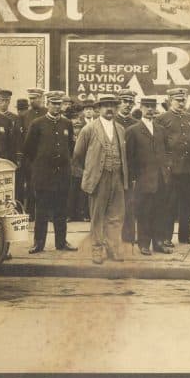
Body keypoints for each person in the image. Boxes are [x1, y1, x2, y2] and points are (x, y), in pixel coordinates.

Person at [73, 94, 129, 264]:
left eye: (112, 105)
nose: (109, 109)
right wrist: (89, 173)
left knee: (116, 215)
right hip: (99, 178)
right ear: (99, 109)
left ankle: (113, 248)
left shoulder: (120, 128)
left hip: (117, 176)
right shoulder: (89, 129)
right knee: (97, 216)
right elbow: (77, 155)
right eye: (105, 106)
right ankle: (97, 249)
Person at [22, 91, 77, 253]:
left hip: (62, 175)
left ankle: (61, 242)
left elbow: (70, 148)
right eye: (53, 103)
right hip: (44, 176)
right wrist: (41, 165)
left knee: (61, 210)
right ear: (47, 104)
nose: (56, 107)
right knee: (42, 211)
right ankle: (39, 243)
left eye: (59, 104)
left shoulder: (67, 124)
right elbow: (28, 149)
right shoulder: (37, 124)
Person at [125, 96, 173, 255]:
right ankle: (143, 244)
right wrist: (133, 178)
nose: (150, 110)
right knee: (144, 211)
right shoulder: (133, 130)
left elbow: (167, 151)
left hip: (161, 178)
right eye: (147, 106)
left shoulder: (161, 129)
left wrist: (167, 169)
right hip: (143, 179)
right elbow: (129, 158)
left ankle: (158, 243)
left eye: (152, 106)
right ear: (141, 108)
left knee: (160, 211)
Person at [156, 88, 190, 246]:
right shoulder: (161, 118)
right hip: (171, 169)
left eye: (183, 100)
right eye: (178, 100)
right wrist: (164, 165)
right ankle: (166, 237)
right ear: (170, 100)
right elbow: (159, 144)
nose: (181, 103)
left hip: (188, 168)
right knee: (170, 204)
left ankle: (184, 235)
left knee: (187, 203)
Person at [115, 89, 138, 244]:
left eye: (130, 102)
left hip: (130, 172)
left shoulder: (136, 124)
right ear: (119, 103)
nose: (127, 105)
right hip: (113, 169)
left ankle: (128, 237)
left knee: (129, 204)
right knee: (111, 206)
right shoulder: (111, 120)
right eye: (125, 101)